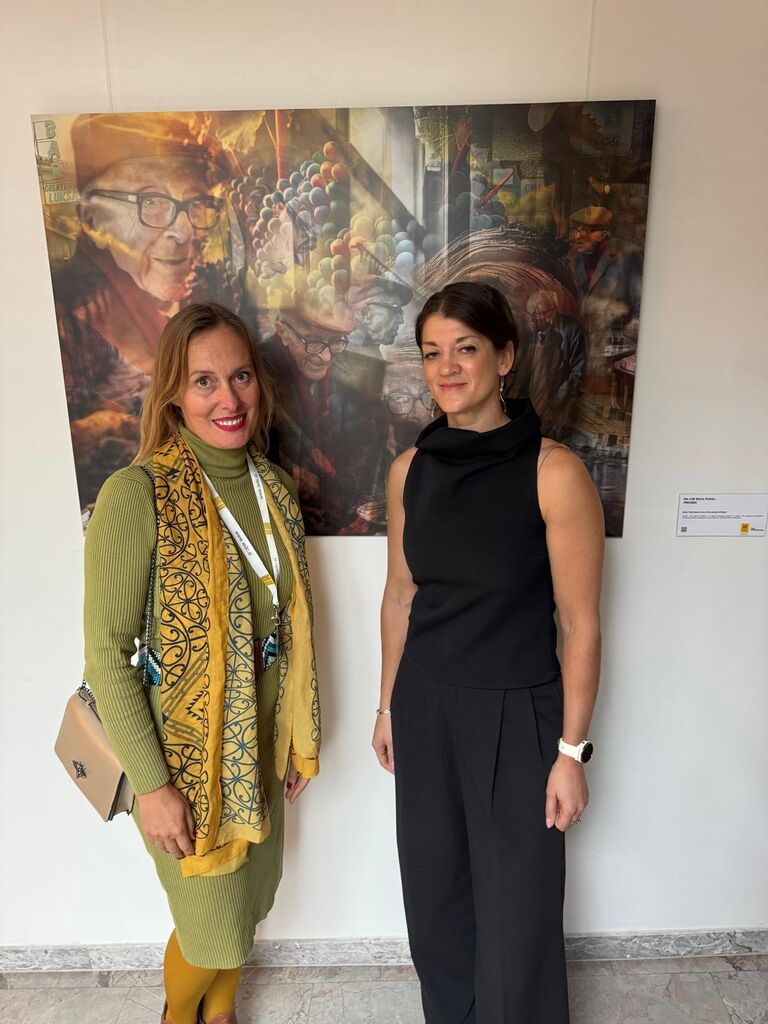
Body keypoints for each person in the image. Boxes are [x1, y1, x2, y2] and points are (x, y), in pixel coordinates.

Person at [373, 281, 604, 1022]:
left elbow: (581, 624)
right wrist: (387, 707)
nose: (446, 368)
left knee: (518, 906)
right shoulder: (409, 471)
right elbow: (400, 596)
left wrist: (570, 752)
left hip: (517, 712)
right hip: (425, 704)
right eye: (431, 352)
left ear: (504, 357)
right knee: (435, 895)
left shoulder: (553, 472)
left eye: (465, 348)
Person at [84, 302, 320, 1024]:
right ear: (173, 394)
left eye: (241, 376)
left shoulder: (275, 490)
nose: (229, 398)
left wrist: (293, 736)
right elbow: (107, 658)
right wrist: (152, 787)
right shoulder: (137, 496)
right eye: (205, 381)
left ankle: (220, 1016)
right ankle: (177, 1018)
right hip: (183, 762)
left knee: (243, 910)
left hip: (260, 748)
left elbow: (291, 628)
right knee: (209, 926)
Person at [53, 113, 233, 510]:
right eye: (151, 201)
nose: (185, 231)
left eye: (198, 203)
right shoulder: (73, 321)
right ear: (90, 217)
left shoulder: (199, 297)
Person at [260, 294, 390, 534]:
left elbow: (370, 442)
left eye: (335, 342)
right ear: (283, 332)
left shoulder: (358, 369)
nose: (326, 356)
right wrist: (293, 472)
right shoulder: (258, 368)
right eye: (313, 342)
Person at [521, 289, 586, 439]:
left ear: (553, 312)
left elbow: (579, 369)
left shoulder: (572, 329)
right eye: (531, 313)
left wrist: (560, 396)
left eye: (540, 313)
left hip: (561, 400)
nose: (534, 319)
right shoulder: (528, 333)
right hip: (533, 402)